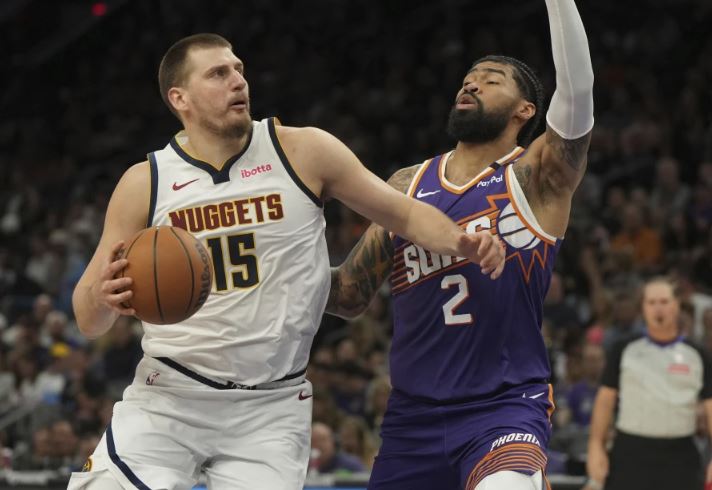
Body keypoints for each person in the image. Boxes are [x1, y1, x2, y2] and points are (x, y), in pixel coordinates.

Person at [67, 33, 505, 490]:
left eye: (238, 69)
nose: (238, 80)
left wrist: (460, 240)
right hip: (170, 394)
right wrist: (102, 298)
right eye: (218, 74)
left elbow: (404, 213)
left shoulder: (302, 150)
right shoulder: (146, 181)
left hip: (271, 406)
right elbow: (87, 319)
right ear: (180, 98)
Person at [327, 0, 594, 487]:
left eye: (492, 79)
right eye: (470, 77)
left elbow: (577, 96)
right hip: (412, 420)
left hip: (504, 408)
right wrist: (267, 267)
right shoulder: (407, 184)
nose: (472, 82)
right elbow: (347, 292)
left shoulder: (536, 177)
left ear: (525, 110)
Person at [585, 277, 712, 490]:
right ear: (642, 308)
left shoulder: (698, 354)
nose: (658, 308)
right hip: (630, 452)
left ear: (676, 305)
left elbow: (710, 406)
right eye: (651, 303)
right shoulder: (623, 348)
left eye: (664, 301)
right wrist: (595, 446)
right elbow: (605, 400)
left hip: (681, 455)